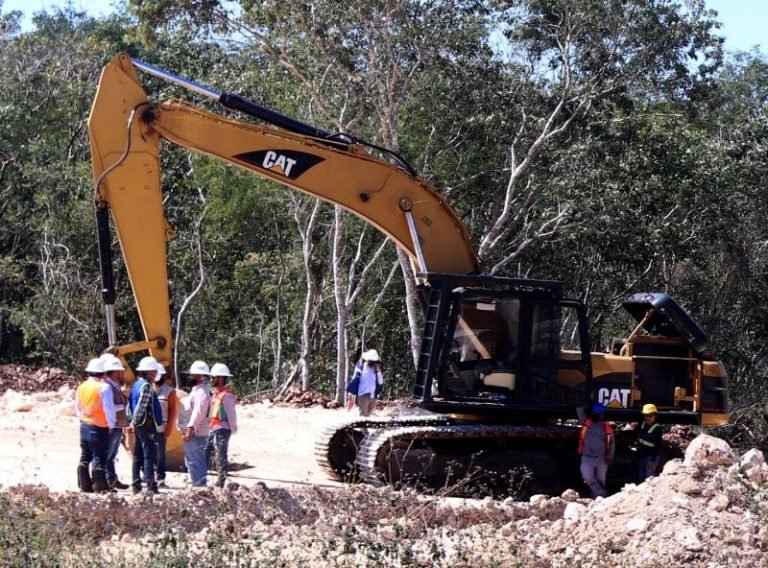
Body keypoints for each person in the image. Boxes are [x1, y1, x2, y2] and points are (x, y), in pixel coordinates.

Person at [75, 357, 115, 493]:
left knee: (85, 455)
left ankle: (84, 485)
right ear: (103, 373)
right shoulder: (104, 387)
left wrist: (82, 420)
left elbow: (78, 407)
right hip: (99, 427)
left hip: (84, 424)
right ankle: (100, 486)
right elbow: (109, 409)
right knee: (99, 456)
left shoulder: (82, 387)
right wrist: (111, 425)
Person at [127, 356, 161, 494]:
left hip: (138, 424)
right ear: (148, 372)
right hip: (145, 425)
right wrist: (134, 423)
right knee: (148, 455)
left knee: (137, 455)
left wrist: (131, 422)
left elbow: (130, 404)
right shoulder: (146, 386)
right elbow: (141, 406)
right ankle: (150, 486)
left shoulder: (136, 384)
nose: (155, 374)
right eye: (153, 371)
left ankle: (136, 485)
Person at [99, 353, 129, 490]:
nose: (122, 373)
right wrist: (123, 405)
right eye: (120, 371)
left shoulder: (115, 386)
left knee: (112, 456)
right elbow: (108, 406)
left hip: (118, 425)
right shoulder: (107, 387)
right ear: (114, 372)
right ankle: (105, 482)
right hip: (111, 425)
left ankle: (111, 479)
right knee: (107, 455)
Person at [181, 360, 212, 487]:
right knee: (193, 460)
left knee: (196, 461)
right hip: (197, 431)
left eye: (192, 375)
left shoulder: (202, 393)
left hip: (197, 433)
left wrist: (190, 429)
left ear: (200, 376)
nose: (190, 377)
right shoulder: (197, 391)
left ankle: (199, 487)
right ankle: (198, 484)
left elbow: (198, 413)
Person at [209, 363, 238, 488]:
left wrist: (233, 428)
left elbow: (231, 413)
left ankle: (221, 481)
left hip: (223, 428)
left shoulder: (227, 395)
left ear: (220, 378)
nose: (211, 380)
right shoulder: (215, 393)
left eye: (213, 377)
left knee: (221, 454)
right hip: (214, 427)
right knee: (212, 452)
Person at [578, 402, 615, 498]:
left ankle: (596, 497)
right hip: (587, 457)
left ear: (602, 415)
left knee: (601, 480)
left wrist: (610, 456)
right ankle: (601, 495)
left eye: (598, 413)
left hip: (601, 458)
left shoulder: (606, 427)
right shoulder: (586, 423)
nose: (596, 415)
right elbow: (579, 409)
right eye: (594, 413)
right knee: (588, 477)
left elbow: (612, 443)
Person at [152, 362, 178, 488]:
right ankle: (148, 475)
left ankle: (160, 477)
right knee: (147, 453)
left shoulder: (169, 392)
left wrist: (169, 427)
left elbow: (173, 410)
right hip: (147, 427)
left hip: (161, 428)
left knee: (160, 454)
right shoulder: (147, 388)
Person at [346, 349, 383, 417]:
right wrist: (351, 392)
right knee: (363, 415)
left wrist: (378, 371)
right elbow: (355, 379)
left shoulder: (376, 370)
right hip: (363, 394)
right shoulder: (361, 368)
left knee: (369, 415)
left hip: (373, 395)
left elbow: (380, 382)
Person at [636, 403, 663, 482]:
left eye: (650, 416)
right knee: (641, 477)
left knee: (649, 478)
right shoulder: (642, 424)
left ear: (655, 416)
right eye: (646, 416)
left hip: (651, 457)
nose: (648, 418)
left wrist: (653, 460)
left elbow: (658, 445)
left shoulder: (657, 428)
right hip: (642, 456)